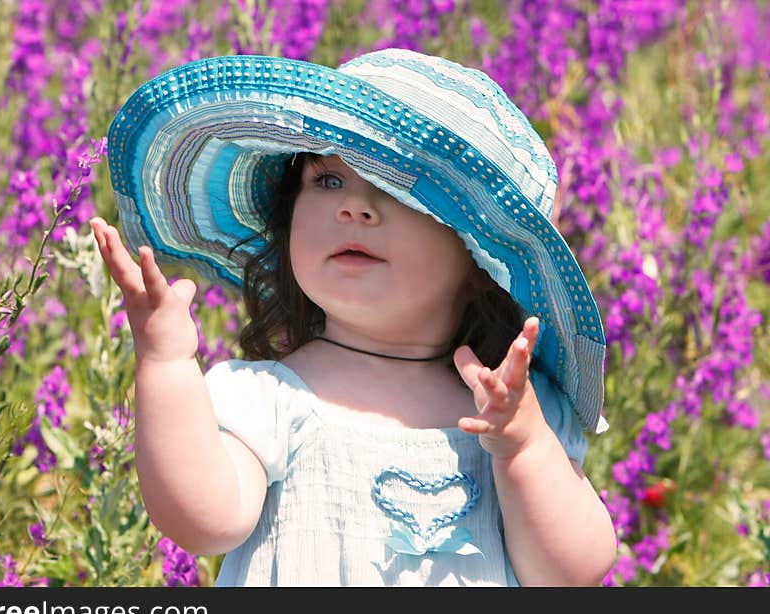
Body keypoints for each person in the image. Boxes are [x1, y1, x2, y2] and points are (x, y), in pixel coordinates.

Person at [90, 48, 617, 586]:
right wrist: (166, 362)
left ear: (480, 260)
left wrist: (524, 447)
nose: (355, 209)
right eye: (328, 181)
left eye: (398, 193)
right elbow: (204, 520)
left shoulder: (514, 415)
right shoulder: (270, 399)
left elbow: (571, 571)